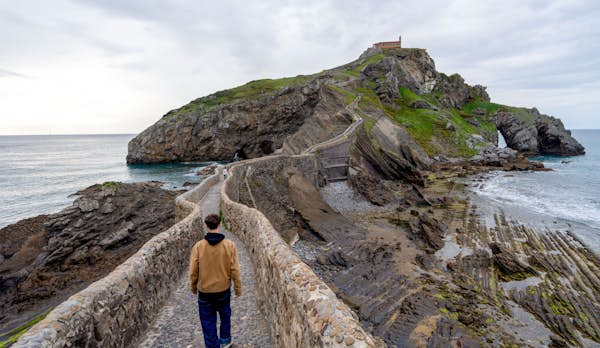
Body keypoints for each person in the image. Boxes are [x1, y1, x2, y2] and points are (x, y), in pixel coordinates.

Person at [189, 214, 242, 348]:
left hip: (205, 292)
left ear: (206, 226)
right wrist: (238, 288)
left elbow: (193, 270)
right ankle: (225, 342)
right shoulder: (230, 245)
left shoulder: (198, 247)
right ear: (219, 225)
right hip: (223, 291)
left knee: (207, 322)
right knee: (225, 317)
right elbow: (235, 270)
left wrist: (193, 287)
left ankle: (212, 346)